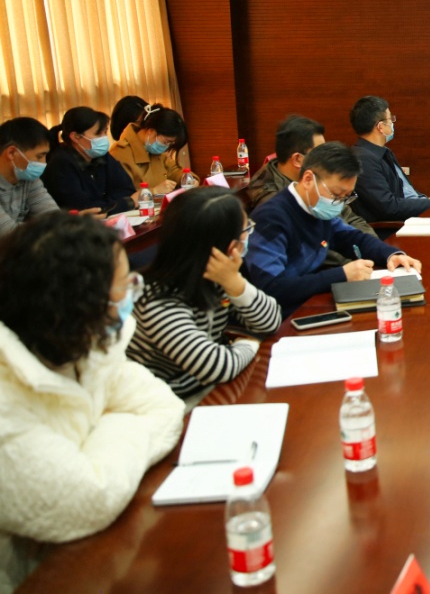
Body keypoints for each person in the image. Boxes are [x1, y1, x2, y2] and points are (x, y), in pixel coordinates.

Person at [0, 212, 184, 591]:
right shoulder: (7, 398)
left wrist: (92, 449)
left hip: (93, 545)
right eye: (124, 286)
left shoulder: (83, 342)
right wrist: (120, 423)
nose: (133, 293)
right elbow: (90, 498)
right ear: (81, 301)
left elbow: (164, 408)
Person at [127, 188, 282, 400]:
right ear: (227, 245)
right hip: (166, 401)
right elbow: (219, 368)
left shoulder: (217, 274)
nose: (248, 235)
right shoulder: (157, 301)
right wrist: (249, 345)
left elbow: (271, 321)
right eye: (246, 228)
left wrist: (236, 284)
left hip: (206, 386)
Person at [244, 142, 423, 314]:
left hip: (315, 301)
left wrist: (391, 255)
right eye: (336, 195)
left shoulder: (315, 208)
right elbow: (272, 288)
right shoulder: (271, 218)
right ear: (308, 179)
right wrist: (342, 275)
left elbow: (352, 238)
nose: (339, 203)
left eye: (346, 196)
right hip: (285, 315)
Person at [247, 114, 373, 264]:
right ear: (298, 159)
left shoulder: (319, 179)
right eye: (319, 153)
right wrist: (353, 262)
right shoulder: (271, 199)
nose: (326, 158)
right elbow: (313, 246)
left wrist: (372, 248)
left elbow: (351, 218)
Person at [348, 96, 430, 223]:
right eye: (390, 119)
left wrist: (424, 201)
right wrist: (428, 203)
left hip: (409, 219)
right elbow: (388, 207)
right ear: (381, 127)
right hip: (392, 228)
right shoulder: (363, 160)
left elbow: (404, 191)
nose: (393, 123)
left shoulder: (384, 152)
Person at [42, 107, 140, 216]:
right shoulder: (60, 164)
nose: (104, 138)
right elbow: (86, 208)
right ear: (75, 137)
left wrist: (108, 205)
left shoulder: (102, 156)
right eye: (98, 134)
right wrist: (125, 203)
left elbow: (127, 190)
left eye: (105, 132)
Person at [109, 104, 191, 192]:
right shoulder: (120, 153)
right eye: (166, 142)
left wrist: (188, 179)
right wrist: (154, 191)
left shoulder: (157, 153)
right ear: (151, 131)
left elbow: (174, 171)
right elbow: (120, 194)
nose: (166, 146)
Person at [0, 118, 59, 235]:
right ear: (11, 153)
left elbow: (55, 219)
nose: (44, 163)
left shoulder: (28, 178)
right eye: (39, 157)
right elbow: (8, 235)